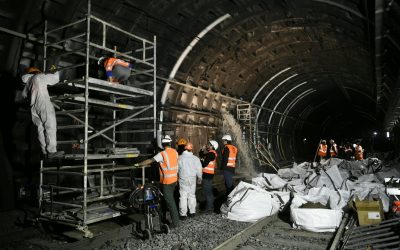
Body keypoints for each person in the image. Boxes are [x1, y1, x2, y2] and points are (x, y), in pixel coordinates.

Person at [21, 66, 64, 159]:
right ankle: (51, 151)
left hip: (33, 108)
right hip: (43, 103)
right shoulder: (39, 77)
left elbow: (24, 95)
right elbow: (55, 79)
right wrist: (55, 70)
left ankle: (44, 151)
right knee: (50, 126)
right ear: (36, 72)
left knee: (40, 129)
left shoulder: (27, 83)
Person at [137, 135, 180, 228]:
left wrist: (138, 164)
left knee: (170, 202)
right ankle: (163, 216)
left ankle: (176, 223)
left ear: (163, 144)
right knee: (169, 200)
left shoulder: (162, 154)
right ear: (170, 143)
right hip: (174, 180)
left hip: (167, 182)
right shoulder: (175, 152)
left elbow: (150, 160)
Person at [177, 142, 202, 219]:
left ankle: (183, 215)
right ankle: (192, 212)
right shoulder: (196, 158)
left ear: (185, 148)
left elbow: (176, 170)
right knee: (192, 196)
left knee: (183, 197)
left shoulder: (179, 158)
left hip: (183, 179)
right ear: (192, 149)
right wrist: (199, 178)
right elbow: (199, 169)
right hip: (192, 179)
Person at [199, 140, 218, 212]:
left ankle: (209, 207)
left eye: (209, 144)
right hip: (209, 175)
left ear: (212, 146)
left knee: (208, 191)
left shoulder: (211, 154)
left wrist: (200, 160)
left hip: (207, 175)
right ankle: (209, 205)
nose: (208, 145)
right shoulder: (211, 153)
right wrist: (202, 149)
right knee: (208, 191)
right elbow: (202, 155)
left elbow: (204, 164)